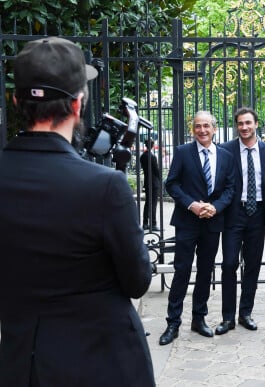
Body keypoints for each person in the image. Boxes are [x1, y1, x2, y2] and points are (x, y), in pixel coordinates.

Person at [0, 37, 154, 386]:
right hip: (103, 362)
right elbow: (137, 281)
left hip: (23, 364)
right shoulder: (105, 186)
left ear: (15, 100)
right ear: (77, 105)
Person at [159, 110, 235, 344]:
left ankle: (198, 318)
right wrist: (191, 205)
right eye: (197, 126)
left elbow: (230, 189)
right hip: (187, 222)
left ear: (214, 128)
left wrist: (216, 207)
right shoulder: (183, 152)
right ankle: (173, 323)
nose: (202, 130)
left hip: (212, 222)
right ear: (193, 129)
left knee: (205, 271)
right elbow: (171, 183)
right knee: (182, 270)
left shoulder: (226, 156)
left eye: (206, 126)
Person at [217, 107, 265, 335]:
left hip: (258, 214)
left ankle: (245, 313)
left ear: (256, 124)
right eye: (240, 123)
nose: (244, 127)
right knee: (229, 264)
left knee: (252, 265)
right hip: (234, 214)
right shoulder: (226, 150)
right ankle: (227, 317)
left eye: (248, 123)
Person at [140, 138, 161, 231]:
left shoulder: (143, 156)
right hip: (154, 182)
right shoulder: (152, 156)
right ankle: (153, 223)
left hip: (147, 181)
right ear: (152, 145)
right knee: (153, 204)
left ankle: (145, 223)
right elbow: (156, 170)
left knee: (148, 203)